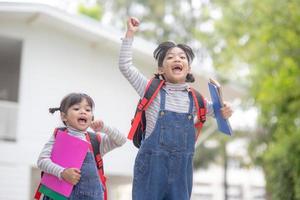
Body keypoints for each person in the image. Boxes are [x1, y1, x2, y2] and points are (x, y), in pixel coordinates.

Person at [119, 17, 233, 200]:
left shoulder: (196, 99)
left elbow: (219, 111)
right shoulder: (150, 89)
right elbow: (125, 66)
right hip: (151, 169)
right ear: (161, 69)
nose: (176, 59)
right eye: (170, 57)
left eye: (182, 57)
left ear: (188, 69)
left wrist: (227, 108)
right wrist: (130, 34)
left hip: (181, 173)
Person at [37, 93, 127, 200]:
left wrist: (104, 128)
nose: (83, 111)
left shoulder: (95, 141)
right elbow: (42, 161)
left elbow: (121, 140)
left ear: (92, 117)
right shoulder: (58, 136)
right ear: (64, 116)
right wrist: (62, 173)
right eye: (76, 108)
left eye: (88, 110)